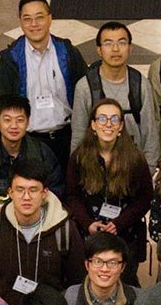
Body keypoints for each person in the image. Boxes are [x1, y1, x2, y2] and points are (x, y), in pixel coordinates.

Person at [0, 168, 84, 305]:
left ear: (44, 193)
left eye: (33, 190)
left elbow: (76, 283)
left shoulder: (65, 229)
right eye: (20, 190)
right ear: (10, 193)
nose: (26, 197)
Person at [0, 0, 87, 157]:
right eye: (27, 19)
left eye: (40, 17)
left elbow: (86, 92)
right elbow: (0, 103)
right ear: (20, 22)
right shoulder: (10, 60)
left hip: (67, 138)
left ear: (50, 19)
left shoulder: (68, 53)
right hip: (28, 143)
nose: (34, 24)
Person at [65, 99, 153, 265]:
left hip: (126, 235)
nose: (108, 124)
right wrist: (88, 223)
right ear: (93, 125)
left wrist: (119, 223)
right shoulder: (79, 157)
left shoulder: (135, 158)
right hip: (89, 235)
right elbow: (72, 196)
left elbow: (145, 198)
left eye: (114, 119)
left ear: (120, 126)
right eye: (102, 119)